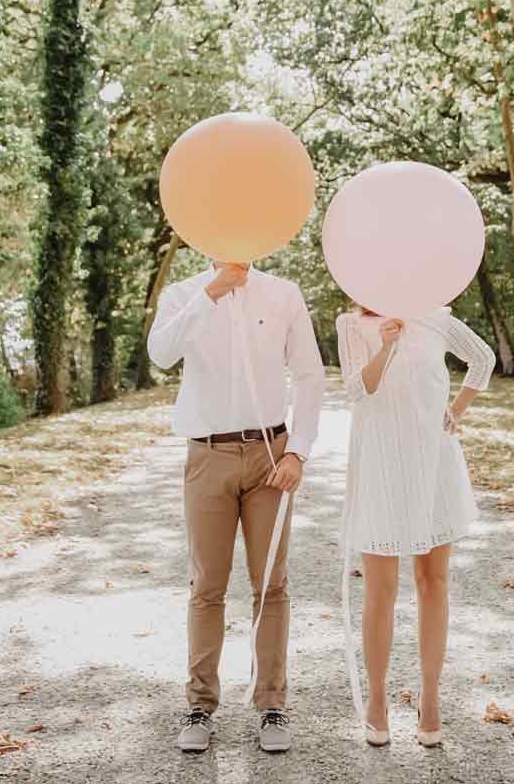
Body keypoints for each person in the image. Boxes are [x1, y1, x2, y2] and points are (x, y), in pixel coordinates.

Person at [147, 261, 325, 754]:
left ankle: (271, 706)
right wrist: (212, 292)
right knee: (207, 587)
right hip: (207, 454)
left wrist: (299, 451)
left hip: (271, 454)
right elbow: (160, 354)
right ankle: (200, 705)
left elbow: (310, 375)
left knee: (271, 585)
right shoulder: (184, 293)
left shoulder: (283, 292)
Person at [335, 305, 495, 748]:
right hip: (381, 462)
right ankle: (378, 700)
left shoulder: (435, 315)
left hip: (433, 460)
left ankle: (430, 697)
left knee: (432, 580)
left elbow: (483, 358)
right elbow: (356, 389)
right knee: (380, 587)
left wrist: (456, 411)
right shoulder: (351, 324)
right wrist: (386, 346)